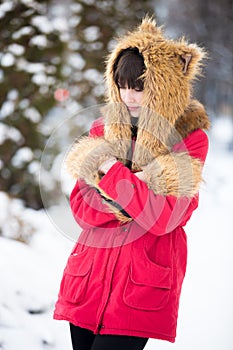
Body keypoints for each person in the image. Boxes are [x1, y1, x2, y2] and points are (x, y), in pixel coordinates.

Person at [53, 17, 210, 350]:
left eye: (139, 86)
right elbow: (81, 210)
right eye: (123, 86)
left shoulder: (189, 139)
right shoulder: (102, 130)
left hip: (138, 287)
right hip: (88, 281)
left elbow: (165, 217)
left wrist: (109, 173)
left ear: (163, 85)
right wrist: (140, 187)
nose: (129, 96)